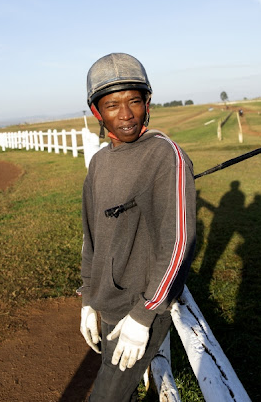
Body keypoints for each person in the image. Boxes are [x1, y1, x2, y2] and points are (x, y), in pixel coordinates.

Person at [79, 53, 197, 401]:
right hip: (108, 304)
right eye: (112, 105)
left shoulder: (164, 155)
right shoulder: (99, 162)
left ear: (148, 102)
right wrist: (88, 298)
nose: (126, 114)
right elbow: (91, 236)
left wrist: (145, 313)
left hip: (140, 304)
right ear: (97, 112)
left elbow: (179, 241)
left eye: (134, 101)